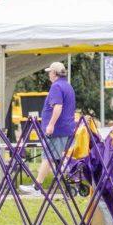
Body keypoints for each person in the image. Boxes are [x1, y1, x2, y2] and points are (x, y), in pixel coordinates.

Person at [21, 62, 76, 194]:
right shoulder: (68, 86)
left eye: (49, 72)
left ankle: (37, 187)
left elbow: (57, 107)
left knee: (48, 157)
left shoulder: (56, 86)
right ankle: (72, 185)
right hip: (65, 128)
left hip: (57, 129)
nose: (48, 75)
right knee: (58, 160)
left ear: (54, 73)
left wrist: (50, 124)